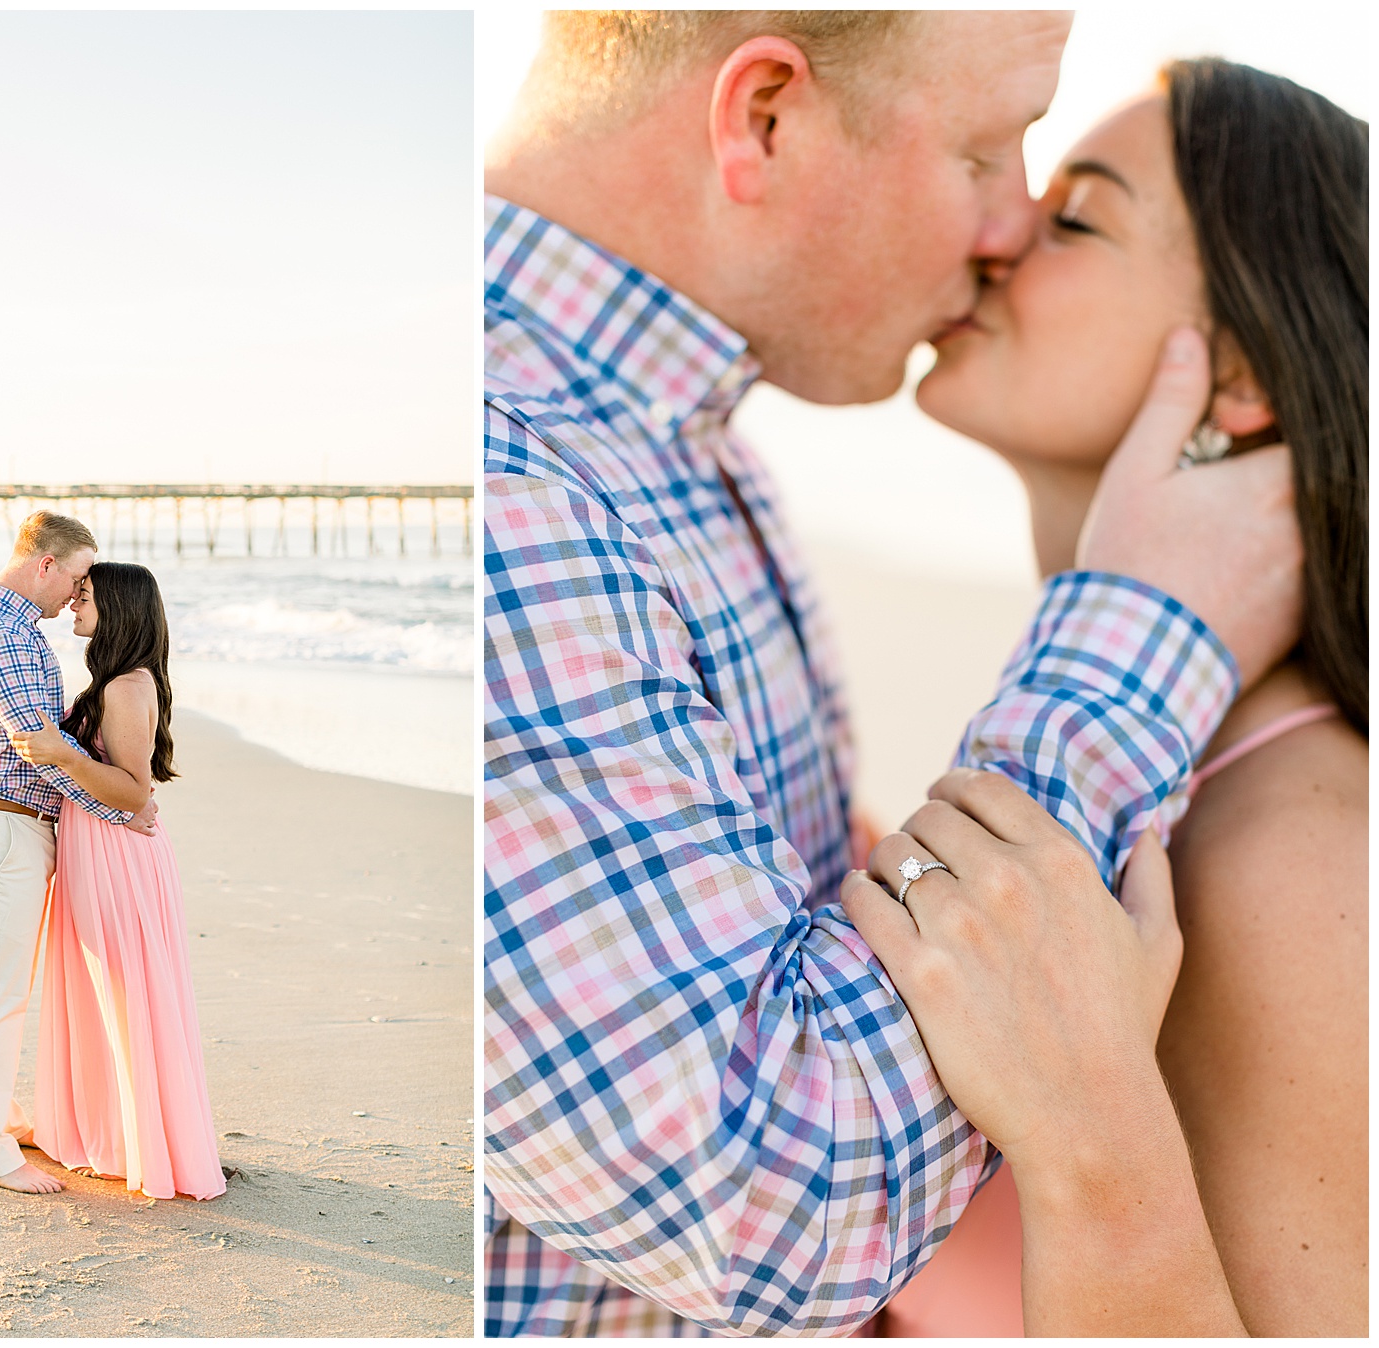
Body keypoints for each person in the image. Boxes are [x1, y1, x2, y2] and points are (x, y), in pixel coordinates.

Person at [482, 11, 1305, 1335]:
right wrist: (1154, 620)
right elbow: (781, 1211)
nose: (1006, 231)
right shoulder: (521, 498)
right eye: (988, 152)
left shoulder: (695, 463)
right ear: (763, 117)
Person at [857, 57, 1367, 1336]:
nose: (1000, 231)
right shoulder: (1144, 771)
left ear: (1240, 372)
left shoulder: (1295, 864)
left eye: (1077, 216)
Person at [0, 511, 157, 1195]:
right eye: (81, 576)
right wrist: (122, 805)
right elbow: (41, 749)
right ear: (47, 565)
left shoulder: (9, 628)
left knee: (0, 985)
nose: (79, 597)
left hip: (0, 825)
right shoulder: (3, 635)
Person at [10, 562, 227, 1202]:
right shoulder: (113, 682)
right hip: (94, 850)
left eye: (86, 595)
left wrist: (62, 753)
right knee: (96, 991)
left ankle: (140, 1143)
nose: (74, 603)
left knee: (124, 992)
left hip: (117, 857)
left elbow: (134, 794)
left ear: (121, 609)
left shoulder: (127, 687)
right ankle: (105, 1131)